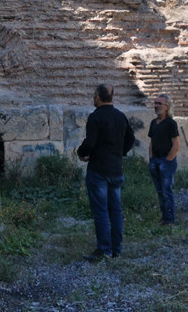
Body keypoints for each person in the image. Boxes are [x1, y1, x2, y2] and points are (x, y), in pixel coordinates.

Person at [77, 84, 136, 262]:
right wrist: (120, 153)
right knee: (116, 211)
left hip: (99, 170)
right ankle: (116, 249)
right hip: (116, 170)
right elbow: (131, 139)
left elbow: (90, 142)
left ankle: (104, 250)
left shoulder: (95, 117)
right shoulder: (120, 116)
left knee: (101, 211)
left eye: (94, 95)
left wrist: (81, 153)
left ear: (98, 97)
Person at [148, 94, 180, 225]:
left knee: (167, 192)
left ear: (167, 107)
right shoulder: (153, 123)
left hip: (166, 162)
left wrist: (167, 161)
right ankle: (164, 217)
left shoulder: (171, 123)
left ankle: (170, 220)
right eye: (155, 103)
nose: (156, 106)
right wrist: (151, 159)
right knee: (160, 191)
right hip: (155, 161)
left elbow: (176, 146)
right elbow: (151, 143)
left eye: (159, 103)